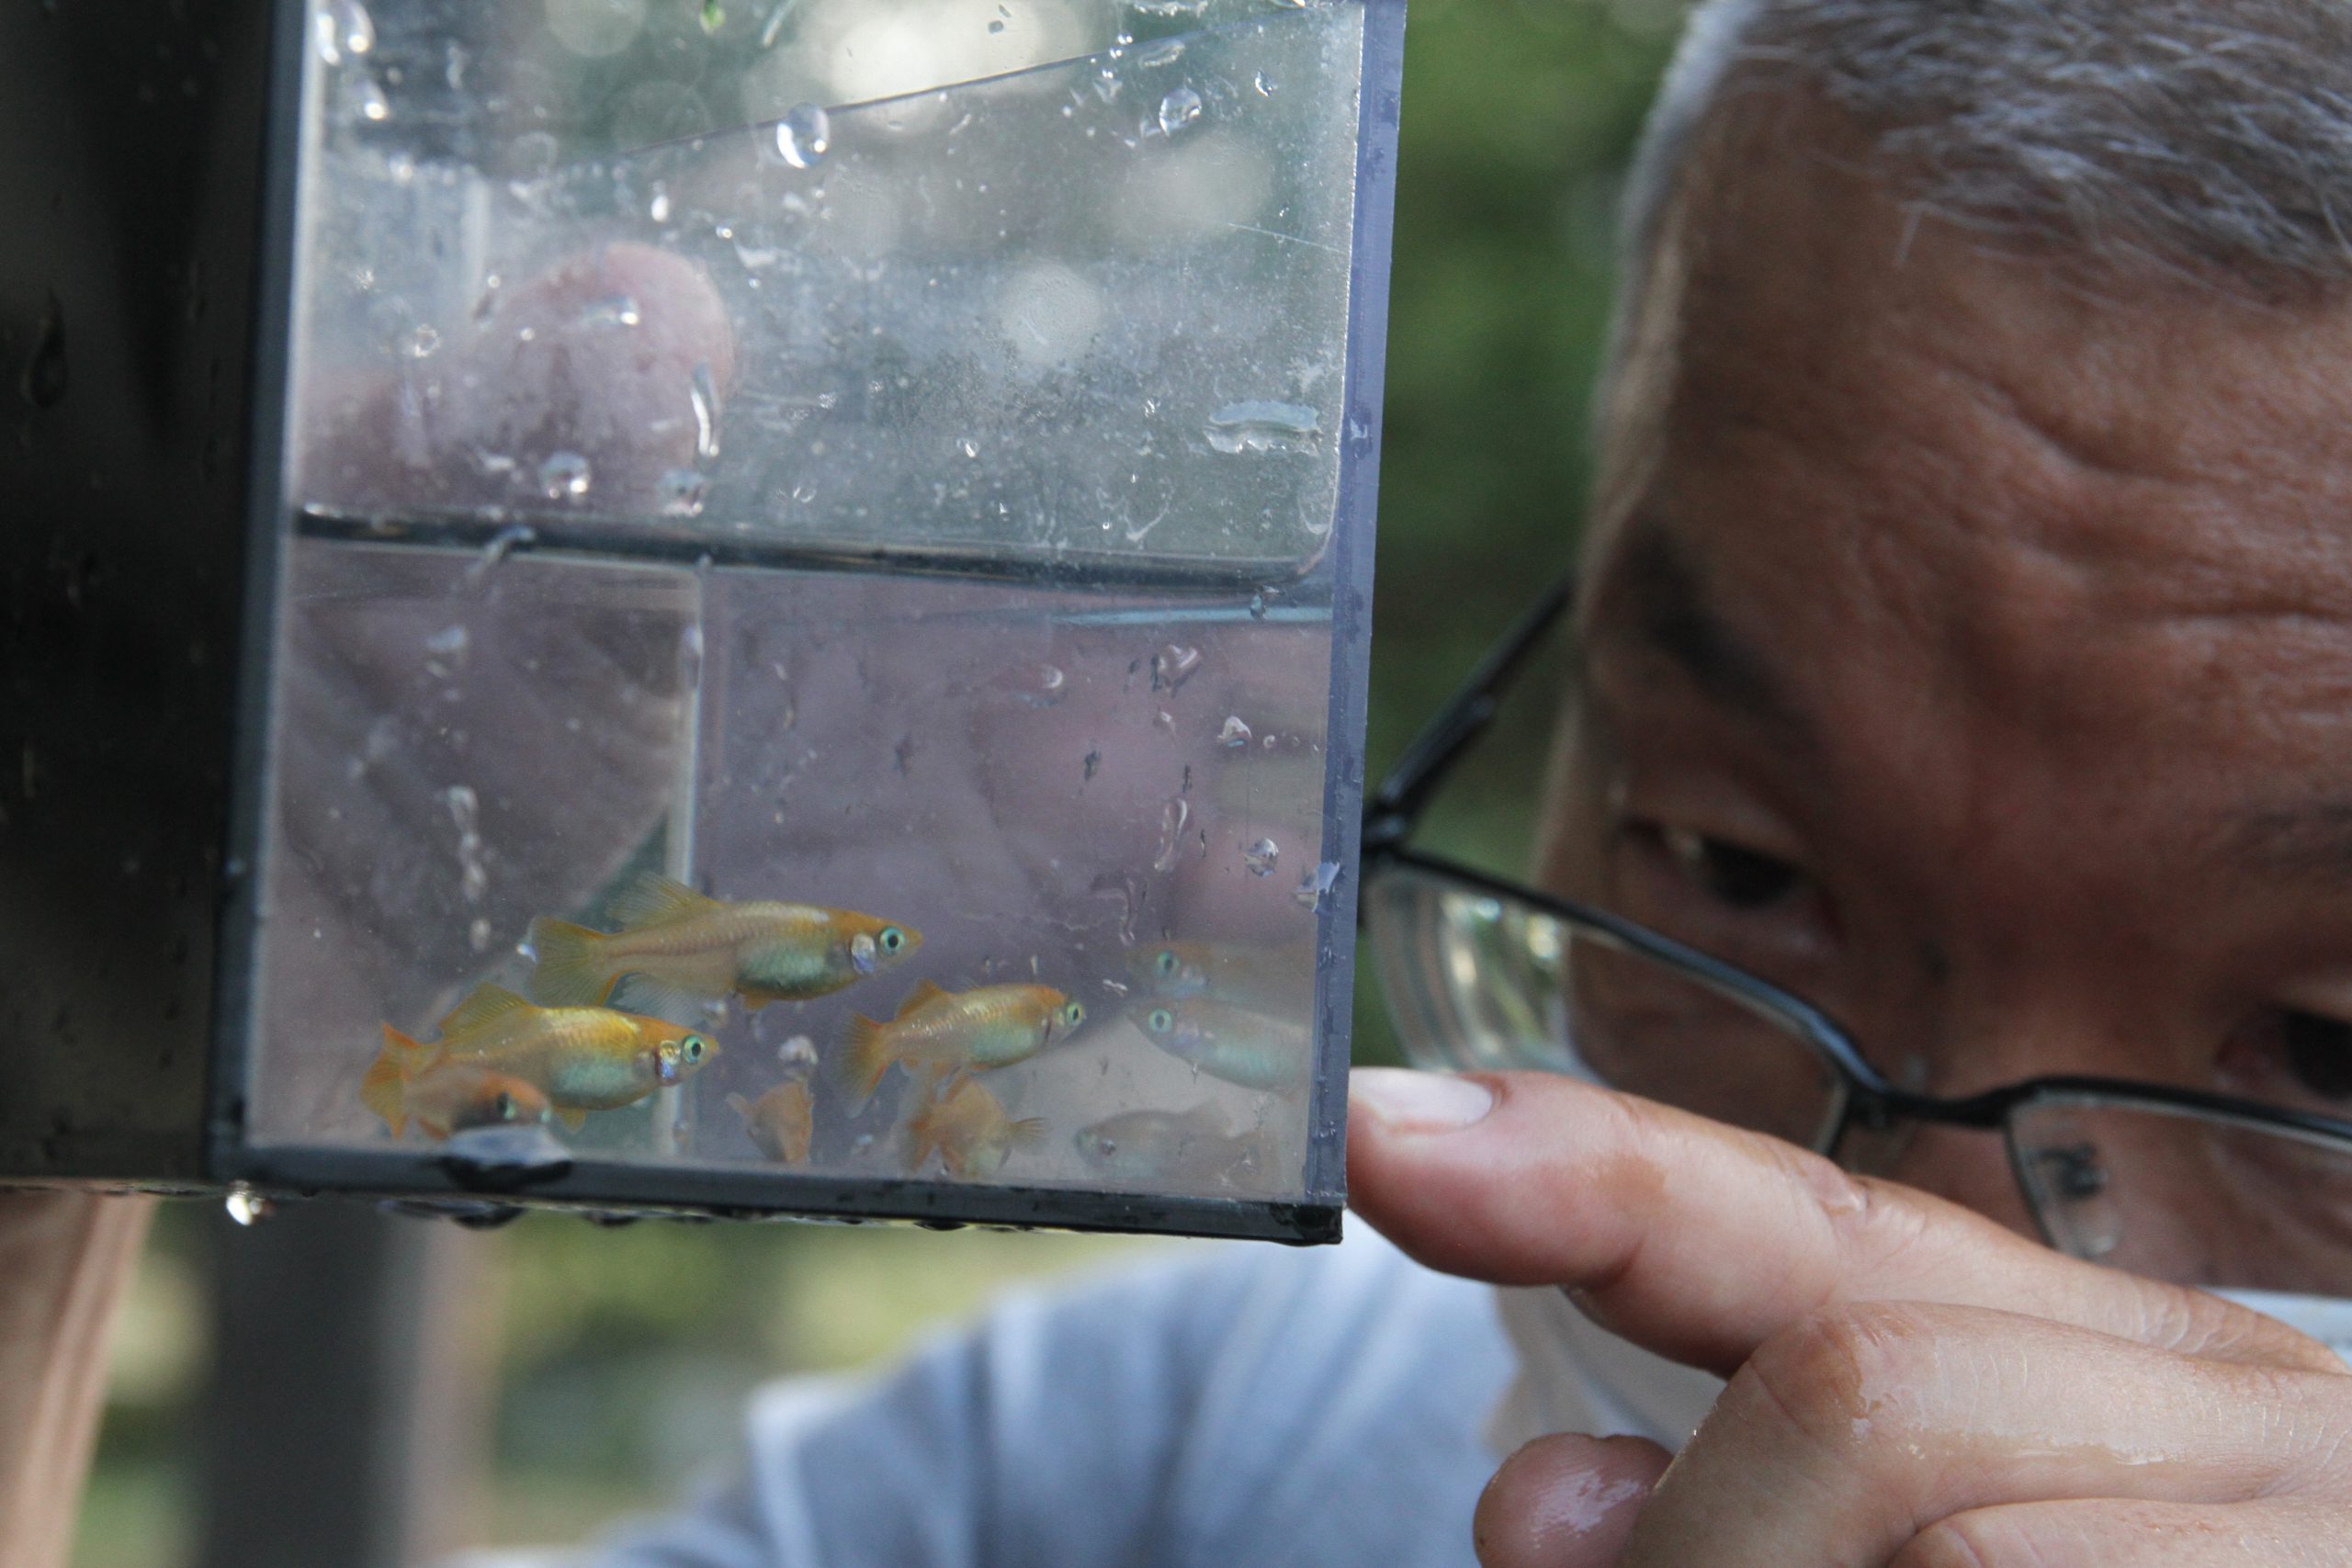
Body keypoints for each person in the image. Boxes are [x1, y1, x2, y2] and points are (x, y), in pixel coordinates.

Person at [12, 0, 2352, 1562]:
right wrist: (56, 1084)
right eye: (1730, 864)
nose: (1912, 1297)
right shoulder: (1125, 1473)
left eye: (2327, 1047)